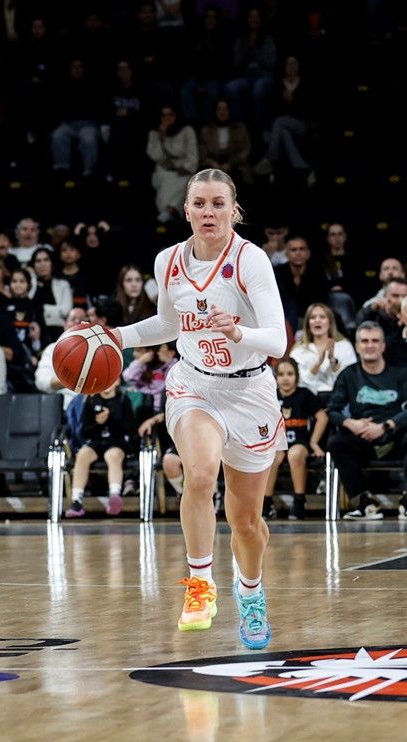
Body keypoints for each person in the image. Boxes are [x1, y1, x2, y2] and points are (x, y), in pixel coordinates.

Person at [112, 168, 288, 650]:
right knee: (201, 473)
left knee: (246, 522)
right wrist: (117, 336)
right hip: (195, 385)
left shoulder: (250, 260)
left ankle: (250, 592)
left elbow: (278, 339)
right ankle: (200, 584)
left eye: (218, 204)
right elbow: (167, 324)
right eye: (200, 203)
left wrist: (238, 331)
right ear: (186, 210)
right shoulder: (168, 261)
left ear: (234, 210)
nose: (208, 212)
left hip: (249, 392)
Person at [325, 321, 407, 520]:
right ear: (357, 346)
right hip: (362, 437)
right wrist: (352, 424)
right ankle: (364, 503)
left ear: (383, 346)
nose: (369, 345)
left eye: (375, 341)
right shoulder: (348, 375)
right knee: (336, 442)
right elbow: (332, 410)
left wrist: (385, 426)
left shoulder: (401, 372)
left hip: (394, 435)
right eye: (364, 341)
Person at [266, 357, 328, 520]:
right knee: (272, 457)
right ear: (275, 377)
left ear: (297, 376)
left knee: (295, 454)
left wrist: (314, 442)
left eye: (290, 374)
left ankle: (299, 502)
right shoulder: (271, 396)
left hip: (299, 442)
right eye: (281, 374)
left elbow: (322, 417)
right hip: (277, 442)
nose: (285, 378)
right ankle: (266, 503)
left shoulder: (304, 394)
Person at [64, 379, 135, 518]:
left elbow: (129, 428)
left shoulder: (123, 399)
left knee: (112, 455)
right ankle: (76, 501)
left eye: (112, 380)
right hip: (97, 441)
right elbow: (85, 431)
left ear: (117, 382)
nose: (108, 383)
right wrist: (98, 423)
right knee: (83, 454)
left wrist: (109, 419)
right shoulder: (91, 400)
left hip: (116, 441)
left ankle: (114, 495)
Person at [288, 302, 356, 394]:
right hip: (309, 399)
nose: (317, 320)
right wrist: (317, 364)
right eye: (313, 317)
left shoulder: (344, 346)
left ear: (330, 323)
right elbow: (296, 382)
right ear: (308, 324)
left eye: (322, 317)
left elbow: (351, 378)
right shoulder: (298, 351)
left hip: (339, 397)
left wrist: (333, 362)